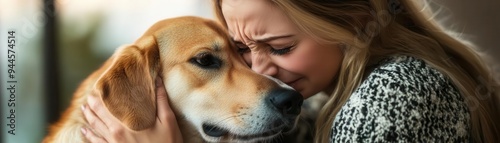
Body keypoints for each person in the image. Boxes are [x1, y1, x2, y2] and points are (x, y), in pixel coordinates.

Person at [80, 0, 500, 142]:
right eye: (243, 49)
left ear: (354, 20)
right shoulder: (324, 104)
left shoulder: (397, 94)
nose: (259, 69)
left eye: (280, 47)